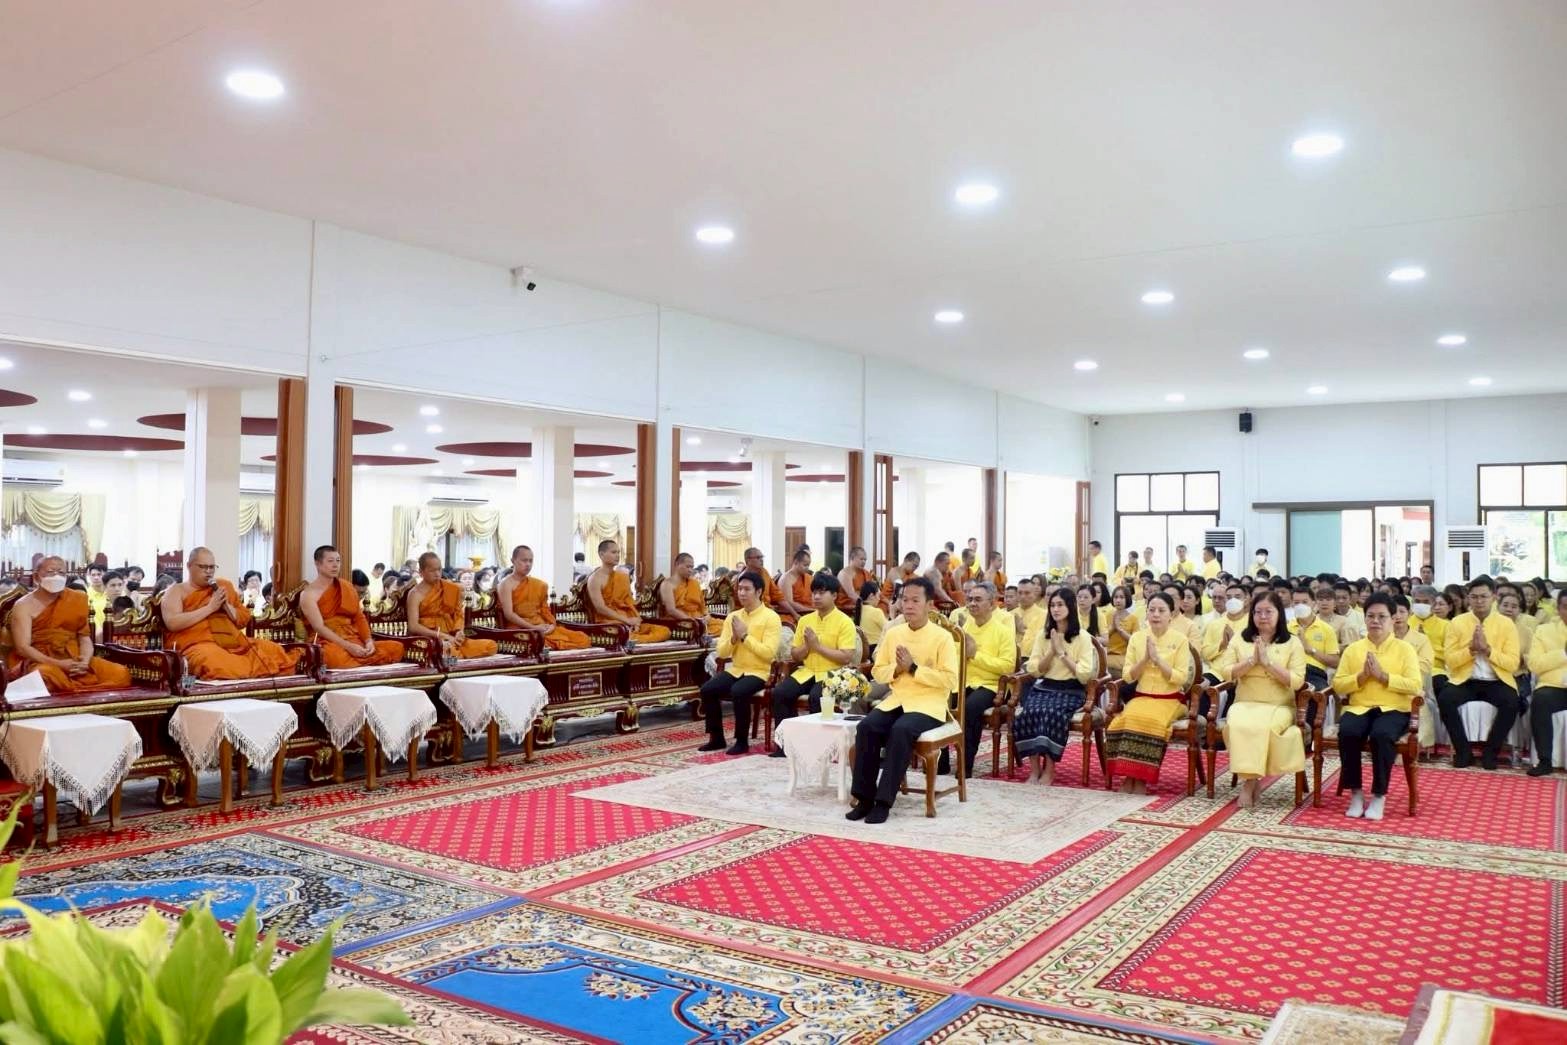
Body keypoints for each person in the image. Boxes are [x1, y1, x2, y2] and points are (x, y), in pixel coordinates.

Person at [847, 578, 959, 824]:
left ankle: (883, 802)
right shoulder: (894, 633)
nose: (908, 605)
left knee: (901, 730)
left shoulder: (942, 637)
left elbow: (950, 680)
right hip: (897, 699)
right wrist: (897, 670)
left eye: (915, 600)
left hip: (929, 704)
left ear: (929, 604)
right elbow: (878, 672)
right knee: (866, 727)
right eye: (904, 600)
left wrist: (914, 668)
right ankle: (864, 798)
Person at [1332, 593, 1422, 820]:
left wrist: (1384, 677)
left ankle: (1379, 795)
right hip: (1360, 707)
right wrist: (1361, 677)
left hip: (1394, 708)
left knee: (1382, 735)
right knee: (1349, 732)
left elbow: (1415, 685)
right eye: (1370, 616)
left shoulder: (1405, 649)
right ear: (1364, 619)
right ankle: (1356, 793)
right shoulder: (1354, 649)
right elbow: (1338, 683)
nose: (1375, 621)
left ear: (1393, 619)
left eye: (1382, 616)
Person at [1216, 590, 1306, 808]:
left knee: (1263, 727)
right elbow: (1226, 672)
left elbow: (1296, 681)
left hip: (1278, 705)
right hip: (1244, 703)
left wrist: (1268, 663)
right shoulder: (1240, 638)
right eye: (1258, 612)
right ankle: (1252, 779)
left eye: (1268, 612)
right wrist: (1251, 661)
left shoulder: (1292, 642)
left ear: (1279, 614)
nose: (1262, 616)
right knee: (1237, 724)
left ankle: (1248, 784)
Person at [160, 547, 304, 679]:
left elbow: (243, 620)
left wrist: (227, 606)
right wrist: (210, 608)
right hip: (199, 645)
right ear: (189, 566)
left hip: (234, 643)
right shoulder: (176, 591)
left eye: (212, 567)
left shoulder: (223, 587)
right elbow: (173, 622)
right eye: (203, 567)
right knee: (213, 661)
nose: (208, 571)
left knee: (273, 650)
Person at [7, 556, 133, 693]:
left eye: (61, 573)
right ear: (36, 577)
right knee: (45, 677)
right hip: (41, 660)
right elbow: (23, 647)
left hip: (75, 657)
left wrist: (84, 662)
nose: (56, 576)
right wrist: (59, 664)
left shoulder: (76, 599)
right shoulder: (23, 605)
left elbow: (84, 637)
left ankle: (79, 693)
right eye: (50, 572)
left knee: (121, 673)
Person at [1106, 592, 1192, 794]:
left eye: (1161, 610)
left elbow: (1181, 678)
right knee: (1125, 719)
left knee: (1150, 721)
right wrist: (1145, 659)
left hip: (1170, 699)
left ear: (1171, 614)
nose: (1156, 614)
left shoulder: (1180, 640)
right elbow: (1128, 676)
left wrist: (1158, 660)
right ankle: (1129, 776)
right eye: (1151, 610)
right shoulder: (1137, 638)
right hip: (1142, 697)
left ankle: (1141, 780)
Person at [1013, 588, 1096, 785]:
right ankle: (1034, 770)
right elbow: (1034, 670)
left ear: (1071, 607)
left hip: (1071, 690)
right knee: (1029, 713)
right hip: (1045, 687)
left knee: (1052, 714)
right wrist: (1051, 651)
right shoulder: (1043, 635)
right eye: (1052, 605)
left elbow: (1085, 675)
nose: (1055, 609)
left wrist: (1061, 654)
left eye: (1060, 605)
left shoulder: (1082, 637)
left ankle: (1049, 770)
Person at [1438, 576, 1521, 770]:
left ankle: (1490, 753)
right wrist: (1471, 650)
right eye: (1474, 597)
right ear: (1468, 598)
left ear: (1494, 597)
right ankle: (1463, 752)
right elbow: (1450, 660)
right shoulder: (1457, 622)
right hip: (1466, 680)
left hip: (1496, 680)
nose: (1479, 601)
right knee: (1445, 698)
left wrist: (1488, 650)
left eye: (1484, 596)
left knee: (1512, 702)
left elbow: (1512, 663)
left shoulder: (1506, 624)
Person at [768, 574, 857, 755]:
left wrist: (817, 647)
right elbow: (795, 654)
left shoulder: (845, 622)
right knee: (780, 693)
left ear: (834, 595)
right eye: (814, 592)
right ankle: (787, 746)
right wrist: (808, 646)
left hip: (833, 674)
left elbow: (846, 657)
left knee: (818, 697)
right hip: (807, 671)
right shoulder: (805, 620)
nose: (816, 597)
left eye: (822, 593)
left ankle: (819, 748)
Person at [698, 571, 780, 754]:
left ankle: (741, 741)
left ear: (758, 591)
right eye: (740, 589)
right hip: (736, 669)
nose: (742, 593)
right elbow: (722, 652)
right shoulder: (733, 617)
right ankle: (716, 738)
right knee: (708, 690)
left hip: (760, 672)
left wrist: (745, 636)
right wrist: (734, 639)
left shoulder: (771, 617)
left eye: (747, 589)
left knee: (739, 691)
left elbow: (768, 653)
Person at [947, 580, 1017, 779]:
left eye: (978, 599)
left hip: (992, 685)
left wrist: (975, 656)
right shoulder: (964, 629)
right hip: (963, 682)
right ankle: (941, 764)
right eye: (969, 599)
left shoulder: (1003, 632)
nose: (972, 603)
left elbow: (1007, 667)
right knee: (940, 703)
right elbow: (953, 658)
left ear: (992, 604)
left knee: (970, 708)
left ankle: (964, 765)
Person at [299, 545, 406, 668]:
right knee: (333, 657)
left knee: (396, 648)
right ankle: (364, 661)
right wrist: (348, 647)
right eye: (330, 561)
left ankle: (361, 659)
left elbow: (359, 617)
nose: (335, 565)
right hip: (328, 641)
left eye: (338, 561)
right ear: (318, 564)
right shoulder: (308, 594)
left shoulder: (347, 587)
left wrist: (368, 641)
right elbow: (319, 628)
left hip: (353, 638)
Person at [496, 545, 592, 650]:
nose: (528, 564)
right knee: (538, 642)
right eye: (524, 560)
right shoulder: (506, 584)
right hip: (520, 630)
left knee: (582, 638)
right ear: (513, 561)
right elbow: (509, 615)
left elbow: (545, 610)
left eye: (530, 561)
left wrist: (551, 626)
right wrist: (533, 627)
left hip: (541, 626)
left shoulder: (538, 585)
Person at [407, 553, 498, 660]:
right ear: (421, 572)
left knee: (490, 646)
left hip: (451, 636)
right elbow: (413, 626)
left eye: (439, 569)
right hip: (429, 639)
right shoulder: (415, 594)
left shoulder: (450, 588)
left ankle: (458, 655)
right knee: (449, 652)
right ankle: (457, 656)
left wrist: (459, 632)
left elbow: (458, 614)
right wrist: (442, 636)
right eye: (432, 571)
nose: (437, 574)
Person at [587, 540, 671, 643]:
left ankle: (632, 640)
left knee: (664, 631)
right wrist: (626, 620)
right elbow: (601, 608)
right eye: (613, 552)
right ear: (601, 554)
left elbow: (629, 603)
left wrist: (635, 620)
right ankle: (632, 640)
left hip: (627, 619)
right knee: (623, 633)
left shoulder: (621, 577)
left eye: (618, 552)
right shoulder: (595, 579)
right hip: (608, 622)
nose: (617, 556)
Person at [1526, 589, 1567, 775]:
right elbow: (1535, 664)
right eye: (1566, 607)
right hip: (1554, 687)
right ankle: (1545, 761)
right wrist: (1563, 654)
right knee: (1540, 700)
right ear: (1558, 609)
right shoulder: (1544, 631)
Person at [1288, 587, 1340, 690]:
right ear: (1292, 605)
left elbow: (1335, 662)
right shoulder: (1286, 628)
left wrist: (1310, 649)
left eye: (1305, 602)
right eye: (1296, 603)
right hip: (1291, 671)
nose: (1300, 606)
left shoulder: (1327, 629)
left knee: (1316, 693)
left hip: (1314, 673)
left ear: (1313, 603)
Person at [659, 552, 720, 636]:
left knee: (726, 625)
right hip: (680, 620)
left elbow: (702, 607)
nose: (690, 570)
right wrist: (692, 620)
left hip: (698, 619)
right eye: (688, 567)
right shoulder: (667, 584)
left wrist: (707, 616)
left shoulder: (694, 583)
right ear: (677, 564)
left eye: (692, 567)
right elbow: (671, 610)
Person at [1102, 584, 1140, 674]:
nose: (1118, 600)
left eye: (1122, 597)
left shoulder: (1133, 619)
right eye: (1116, 597)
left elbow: (1135, 641)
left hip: (1124, 656)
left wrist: (1120, 630)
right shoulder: (1107, 616)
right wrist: (1113, 628)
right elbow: (1102, 638)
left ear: (1127, 599)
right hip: (1107, 654)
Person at [775, 548, 815, 623]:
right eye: (805, 565)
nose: (807, 568)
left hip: (810, 611)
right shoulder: (786, 579)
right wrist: (809, 610)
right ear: (796, 562)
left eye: (808, 565)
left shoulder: (809, 578)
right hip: (790, 614)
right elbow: (789, 602)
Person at [836, 546, 875, 613]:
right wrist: (867, 605)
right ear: (852, 558)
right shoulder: (845, 573)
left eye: (865, 560)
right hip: (845, 609)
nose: (863, 562)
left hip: (862, 607)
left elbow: (873, 591)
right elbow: (851, 594)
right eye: (861, 559)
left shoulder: (866, 573)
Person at [1015, 578, 1047, 660]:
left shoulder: (1044, 615)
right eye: (1020, 593)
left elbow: (1041, 641)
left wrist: (1022, 631)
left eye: (1027, 593)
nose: (1023, 596)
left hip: (1033, 658)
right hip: (1012, 658)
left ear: (1035, 594)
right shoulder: (1009, 615)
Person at [855, 581, 887, 649]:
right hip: (876, 649)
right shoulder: (876, 612)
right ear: (871, 596)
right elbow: (889, 629)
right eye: (878, 595)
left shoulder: (859, 610)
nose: (879, 599)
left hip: (862, 649)